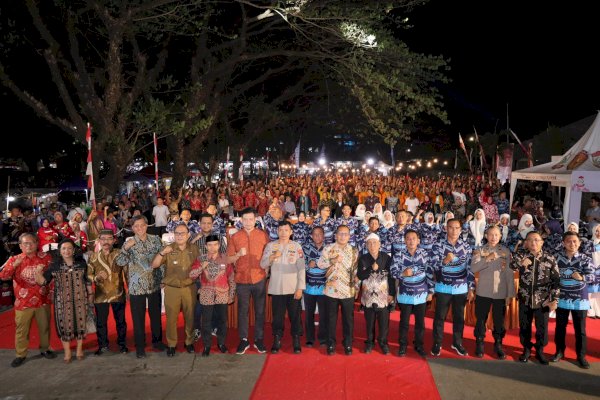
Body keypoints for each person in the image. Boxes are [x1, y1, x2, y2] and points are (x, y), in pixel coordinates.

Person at [0, 233, 56, 367]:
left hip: (42, 300)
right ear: (20, 246)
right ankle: (20, 354)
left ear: (37, 244)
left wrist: (53, 293)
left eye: (32, 243)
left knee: (45, 327)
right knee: (21, 330)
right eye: (25, 243)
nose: (29, 246)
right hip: (23, 302)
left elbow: (53, 278)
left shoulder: (46, 258)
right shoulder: (14, 259)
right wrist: (14, 266)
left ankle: (45, 349)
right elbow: (3, 276)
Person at [115, 215, 166, 358]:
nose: (139, 228)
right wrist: (125, 248)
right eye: (136, 226)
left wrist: (163, 277)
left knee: (156, 316)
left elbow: (163, 259)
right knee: (138, 318)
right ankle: (140, 346)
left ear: (147, 225)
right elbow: (119, 262)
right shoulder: (129, 242)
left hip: (154, 283)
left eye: (142, 225)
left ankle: (157, 341)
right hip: (136, 286)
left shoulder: (156, 240)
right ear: (132, 228)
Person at [36, 239, 91, 363]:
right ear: (59, 251)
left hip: (80, 299)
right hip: (62, 302)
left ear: (74, 250)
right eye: (64, 248)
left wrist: (91, 295)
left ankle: (79, 350)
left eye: (69, 248)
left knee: (80, 324)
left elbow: (87, 280)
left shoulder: (81, 263)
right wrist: (38, 272)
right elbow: (43, 282)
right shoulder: (54, 265)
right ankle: (67, 352)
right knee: (64, 326)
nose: (67, 251)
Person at [510, 231, 560, 364]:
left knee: (542, 327)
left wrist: (554, 299)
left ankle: (539, 350)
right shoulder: (520, 255)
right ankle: (526, 349)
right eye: (530, 240)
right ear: (526, 242)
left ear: (542, 242)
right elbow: (511, 267)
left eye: (536, 240)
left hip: (543, 300)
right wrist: (521, 263)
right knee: (524, 326)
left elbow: (556, 281)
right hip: (525, 298)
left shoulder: (550, 258)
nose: (533, 243)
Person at [227, 208, 269, 354]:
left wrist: (267, 271)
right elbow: (229, 258)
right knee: (243, 311)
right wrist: (238, 254)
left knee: (260, 311)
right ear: (241, 221)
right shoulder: (235, 237)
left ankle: (259, 339)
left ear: (255, 220)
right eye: (245, 219)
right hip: (242, 279)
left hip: (259, 278)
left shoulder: (263, 236)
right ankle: (243, 339)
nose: (248, 222)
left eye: (251, 219)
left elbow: (267, 256)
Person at [152, 224, 199, 356]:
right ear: (174, 234)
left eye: (182, 233)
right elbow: (154, 264)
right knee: (171, 318)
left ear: (188, 235)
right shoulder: (168, 248)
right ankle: (172, 344)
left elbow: (201, 266)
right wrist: (162, 253)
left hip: (189, 288)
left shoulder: (194, 249)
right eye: (177, 233)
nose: (179, 236)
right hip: (172, 289)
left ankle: (189, 342)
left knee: (190, 318)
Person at [430, 218, 474, 357]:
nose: (453, 230)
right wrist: (445, 261)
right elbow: (432, 267)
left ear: (461, 230)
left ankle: (457, 342)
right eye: (451, 227)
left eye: (456, 228)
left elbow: (469, 268)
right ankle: (437, 343)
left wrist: (471, 288)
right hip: (443, 287)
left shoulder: (466, 246)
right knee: (439, 317)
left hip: (461, 288)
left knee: (459, 318)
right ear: (446, 228)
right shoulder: (438, 245)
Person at [260, 221, 305, 354]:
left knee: (295, 316)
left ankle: (296, 339)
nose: (283, 233)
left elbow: (302, 268)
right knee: (277, 317)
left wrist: (300, 288)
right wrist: (272, 257)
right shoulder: (270, 246)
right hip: (277, 288)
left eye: (286, 230)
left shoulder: (297, 246)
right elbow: (262, 264)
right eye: (281, 230)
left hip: (293, 288)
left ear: (291, 232)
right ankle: (277, 339)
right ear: (277, 231)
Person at [551, 232, 594, 369]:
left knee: (580, 329)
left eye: (575, 241)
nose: (572, 244)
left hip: (579, 299)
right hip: (562, 297)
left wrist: (582, 277)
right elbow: (553, 278)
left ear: (579, 243)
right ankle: (559, 351)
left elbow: (593, 277)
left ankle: (581, 356)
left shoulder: (585, 259)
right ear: (563, 243)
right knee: (560, 327)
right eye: (569, 241)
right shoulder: (557, 258)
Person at [470, 226, 514, 359]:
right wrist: (487, 258)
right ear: (486, 235)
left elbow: (509, 274)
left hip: (500, 293)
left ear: (500, 236)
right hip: (483, 291)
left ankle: (498, 344)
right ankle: (479, 342)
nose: (493, 237)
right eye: (491, 234)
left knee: (499, 321)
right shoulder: (479, 250)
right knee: (481, 319)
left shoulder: (505, 252)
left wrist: (510, 294)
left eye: (496, 235)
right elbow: (473, 268)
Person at [189, 234, 235, 356]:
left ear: (219, 245)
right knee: (206, 322)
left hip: (222, 294)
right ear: (205, 246)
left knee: (222, 321)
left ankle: (221, 343)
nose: (212, 247)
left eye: (215, 244)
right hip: (206, 294)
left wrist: (231, 294)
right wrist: (201, 268)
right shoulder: (200, 259)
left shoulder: (225, 258)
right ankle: (207, 345)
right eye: (209, 245)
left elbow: (231, 277)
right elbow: (192, 275)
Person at [317, 225, 359, 356]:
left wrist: (357, 287)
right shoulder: (329, 249)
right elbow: (320, 264)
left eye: (345, 234)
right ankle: (331, 344)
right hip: (331, 290)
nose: (342, 236)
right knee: (331, 319)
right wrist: (332, 260)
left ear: (349, 236)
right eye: (340, 234)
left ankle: (348, 344)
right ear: (335, 235)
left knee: (348, 319)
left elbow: (356, 271)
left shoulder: (354, 251)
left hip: (348, 290)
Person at [391, 229, 433, 358]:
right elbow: (392, 272)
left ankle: (419, 344)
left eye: (413, 238)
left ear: (418, 241)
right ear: (404, 241)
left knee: (420, 322)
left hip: (422, 293)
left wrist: (431, 291)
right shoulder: (398, 255)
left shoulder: (425, 254)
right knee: (404, 322)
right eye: (408, 238)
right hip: (405, 293)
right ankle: (403, 345)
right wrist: (403, 274)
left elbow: (430, 273)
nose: (411, 241)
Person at [87, 230, 128, 356]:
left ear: (114, 240)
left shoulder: (120, 254)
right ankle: (103, 345)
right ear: (99, 240)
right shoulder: (93, 257)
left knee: (120, 321)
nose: (106, 241)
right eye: (103, 239)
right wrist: (96, 278)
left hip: (118, 292)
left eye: (109, 238)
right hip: (101, 295)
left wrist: (130, 288)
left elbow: (127, 272)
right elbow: (88, 275)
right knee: (101, 322)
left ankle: (122, 344)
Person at [357, 233, 394, 355]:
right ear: (366, 245)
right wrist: (370, 269)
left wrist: (391, 294)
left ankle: (383, 342)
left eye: (374, 243)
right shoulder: (363, 258)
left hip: (383, 296)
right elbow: (360, 276)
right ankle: (369, 342)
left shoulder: (387, 258)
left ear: (379, 244)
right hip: (368, 296)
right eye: (369, 243)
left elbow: (392, 277)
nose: (372, 245)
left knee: (384, 322)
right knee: (369, 321)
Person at [302, 226, 328, 347]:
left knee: (324, 314)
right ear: (311, 236)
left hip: (324, 287)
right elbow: (300, 265)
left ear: (324, 235)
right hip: (309, 286)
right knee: (309, 314)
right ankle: (310, 338)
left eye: (320, 234)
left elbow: (333, 265)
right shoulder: (305, 248)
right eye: (315, 234)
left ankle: (323, 338)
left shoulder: (329, 249)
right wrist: (308, 265)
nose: (317, 236)